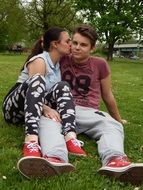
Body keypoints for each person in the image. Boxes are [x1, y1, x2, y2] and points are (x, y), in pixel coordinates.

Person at [39, 24, 143, 185]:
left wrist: (118, 119)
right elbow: (42, 57)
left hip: (87, 112)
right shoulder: (62, 57)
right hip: (61, 108)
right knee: (47, 122)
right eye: (74, 43)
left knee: (111, 125)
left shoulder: (100, 64)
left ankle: (115, 160)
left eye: (83, 45)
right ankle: (54, 159)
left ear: (92, 48)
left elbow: (107, 95)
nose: (77, 48)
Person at [2, 27, 86, 179]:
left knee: (63, 86)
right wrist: (46, 108)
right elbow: (33, 89)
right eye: (68, 41)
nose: (71, 45)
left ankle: (70, 137)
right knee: (38, 79)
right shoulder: (40, 61)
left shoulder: (57, 65)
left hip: (33, 110)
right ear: (55, 44)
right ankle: (31, 141)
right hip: (13, 109)